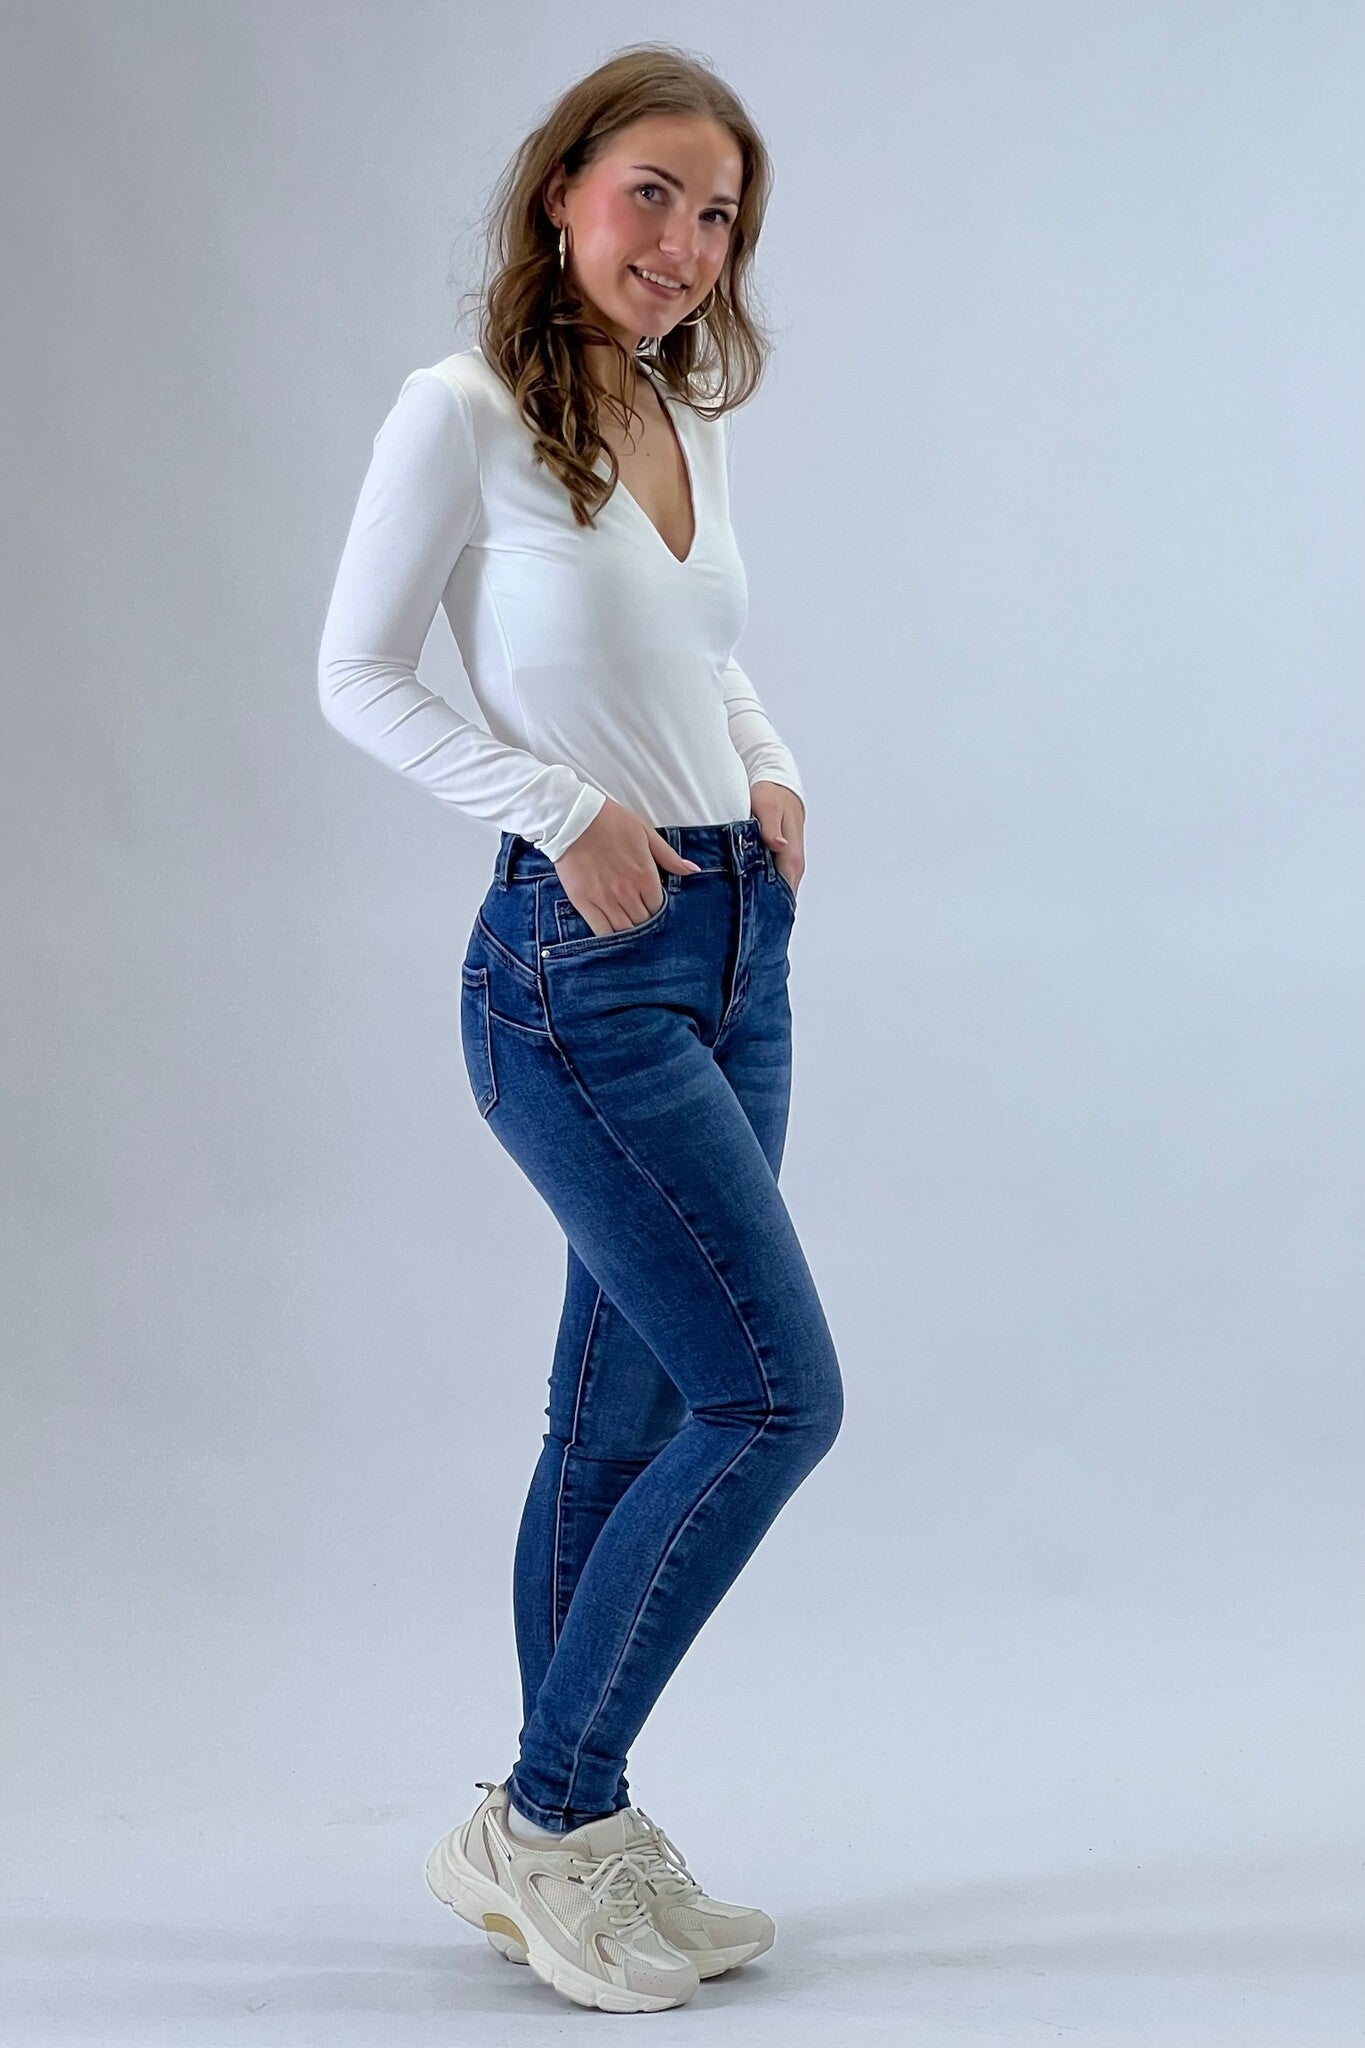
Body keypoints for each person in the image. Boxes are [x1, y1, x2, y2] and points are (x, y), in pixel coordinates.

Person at [316, 44, 843, 2015]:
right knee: (771, 1401)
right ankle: (541, 1819)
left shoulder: (675, 410)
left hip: (731, 950)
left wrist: (769, 767)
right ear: (560, 192)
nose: (683, 244)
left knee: (620, 1417)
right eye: (651, 195)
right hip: (577, 972)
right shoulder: (458, 410)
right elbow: (355, 674)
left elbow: (698, 651)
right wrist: (556, 807)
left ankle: (577, 1828)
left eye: (716, 217)